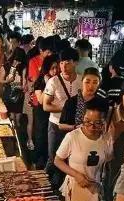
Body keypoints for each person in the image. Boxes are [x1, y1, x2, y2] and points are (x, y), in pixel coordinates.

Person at [55, 99, 112, 201]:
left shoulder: (106, 139)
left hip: (95, 190)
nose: (91, 127)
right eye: (87, 122)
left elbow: (108, 163)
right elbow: (57, 161)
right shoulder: (72, 137)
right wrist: (76, 175)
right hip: (75, 189)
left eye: (97, 123)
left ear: (104, 122)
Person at [43, 47, 81, 188]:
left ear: (75, 63)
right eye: (61, 63)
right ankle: (47, 186)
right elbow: (46, 106)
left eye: (68, 63)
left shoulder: (82, 81)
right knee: (54, 157)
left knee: (70, 158)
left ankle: (60, 186)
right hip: (55, 125)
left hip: (74, 126)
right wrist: (66, 107)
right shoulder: (53, 81)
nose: (63, 67)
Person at [59, 67, 104, 132]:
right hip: (75, 138)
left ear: (99, 84)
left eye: (95, 82)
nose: (91, 86)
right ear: (82, 81)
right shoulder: (71, 101)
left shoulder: (102, 102)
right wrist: (75, 127)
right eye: (87, 82)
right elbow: (61, 126)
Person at [33, 54, 58, 169]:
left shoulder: (59, 80)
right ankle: (40, 161)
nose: (55, 70)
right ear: (47, 68)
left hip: (54, 114)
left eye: (56, 67)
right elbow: (41, 101)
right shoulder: (40, 81)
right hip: (42, 114)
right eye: (52, 68)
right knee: (41, 137)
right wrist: (48, 84)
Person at [0, 50, 26, 126]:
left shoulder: (23, 68)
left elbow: (24, 83)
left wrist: (22, 87)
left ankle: (17, 131)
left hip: (19, 94)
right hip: (8, 93)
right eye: (16, 60)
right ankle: (13, 130)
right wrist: (7, 80)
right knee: (11, 116)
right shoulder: (5, 66)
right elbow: (0, 80)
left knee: (18, 117)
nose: (17, 62)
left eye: (20, 61)